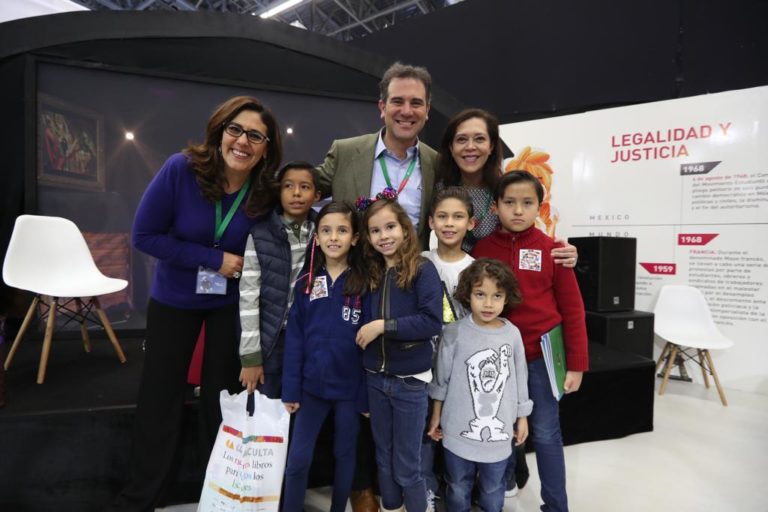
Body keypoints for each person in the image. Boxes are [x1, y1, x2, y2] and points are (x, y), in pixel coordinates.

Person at [116, 96, 282, 510]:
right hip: (174, 299)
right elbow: (145, 237)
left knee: (220, 398)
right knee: (161, 396)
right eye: (235, 129)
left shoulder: (265, 192)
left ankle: (221, 495)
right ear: (220, 131)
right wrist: (213, 259)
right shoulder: (181, 169)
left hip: (230, 305)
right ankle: (142, 497)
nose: (243, 141)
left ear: (266, 147)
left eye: (255, 135)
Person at [472, 171, 589, 512]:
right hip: (497, 358)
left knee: (546, 432)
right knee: (499, 426)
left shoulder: (554, 251)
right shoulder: (483, 249)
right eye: (510, 203)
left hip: (539, 358)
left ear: (540, 206)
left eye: (527, 203)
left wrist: (577, 364)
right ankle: (505, 481)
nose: (518, 211)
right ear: (495, 207)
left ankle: (556, 505)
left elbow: (573, 308)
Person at [355, 194, 443, 512]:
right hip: (375, 380)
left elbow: (432, 321)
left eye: (390, 226)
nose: (384, 236)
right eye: (376, 231)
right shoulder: (372, 272)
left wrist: (383, 326)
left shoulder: (422, 269)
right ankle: (391, 507)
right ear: (367, 237)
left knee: (407, 463)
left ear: (405, 229)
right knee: (383, 455)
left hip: (409, 383)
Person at [281, 201, 369, 512]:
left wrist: (364, 397)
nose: (334, 237)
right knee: (297, 460)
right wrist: (290, 389)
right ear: (316, 238)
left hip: (349, 391)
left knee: (345, 454)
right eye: (326, 231)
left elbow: (370, 348)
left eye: (342, 230)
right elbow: (294, 339)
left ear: (355, 238)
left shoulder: (364, 284)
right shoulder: (306, 282)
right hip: (310, 390)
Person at [427, 258, 533, 512]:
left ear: (506, 298)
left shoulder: (512, 334)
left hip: (498, 437)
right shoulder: (453, 332)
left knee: (493, 488)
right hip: (456, 431)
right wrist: (436, 418)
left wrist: (522, 417)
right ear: (467, 294)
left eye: (497, 295)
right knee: (458, 486)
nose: (488, 303)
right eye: (480, 294)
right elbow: (441, 380)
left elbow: (520, 378)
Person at [436, 108, 578, 269]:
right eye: (461, 139)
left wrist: (561, 251)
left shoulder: (506, 189)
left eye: (479, 139)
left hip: (497, 278)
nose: (470, 146)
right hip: (447, 273)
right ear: (451, 147)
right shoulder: (439, 188)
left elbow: (528, 234)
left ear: (491, 146)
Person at [316, 62, 438, 248]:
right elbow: (301, 188)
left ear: (427, 110)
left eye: (416, 103)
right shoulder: (345, 153)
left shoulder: (436, 162)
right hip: (356, 272)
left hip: (414, 273)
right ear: (382, 107)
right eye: (397, 101)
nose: (406, 111)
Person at [238, 161, 321, 399]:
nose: (296, 193)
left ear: (316, 195)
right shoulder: (260, 235)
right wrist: (251, 355)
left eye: (304, 187)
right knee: (268, 409)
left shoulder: (324, 233)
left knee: (305, 406)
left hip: (310, 338)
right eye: (288, 186)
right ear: (279, 192)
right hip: (272, 340)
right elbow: (248, 295)